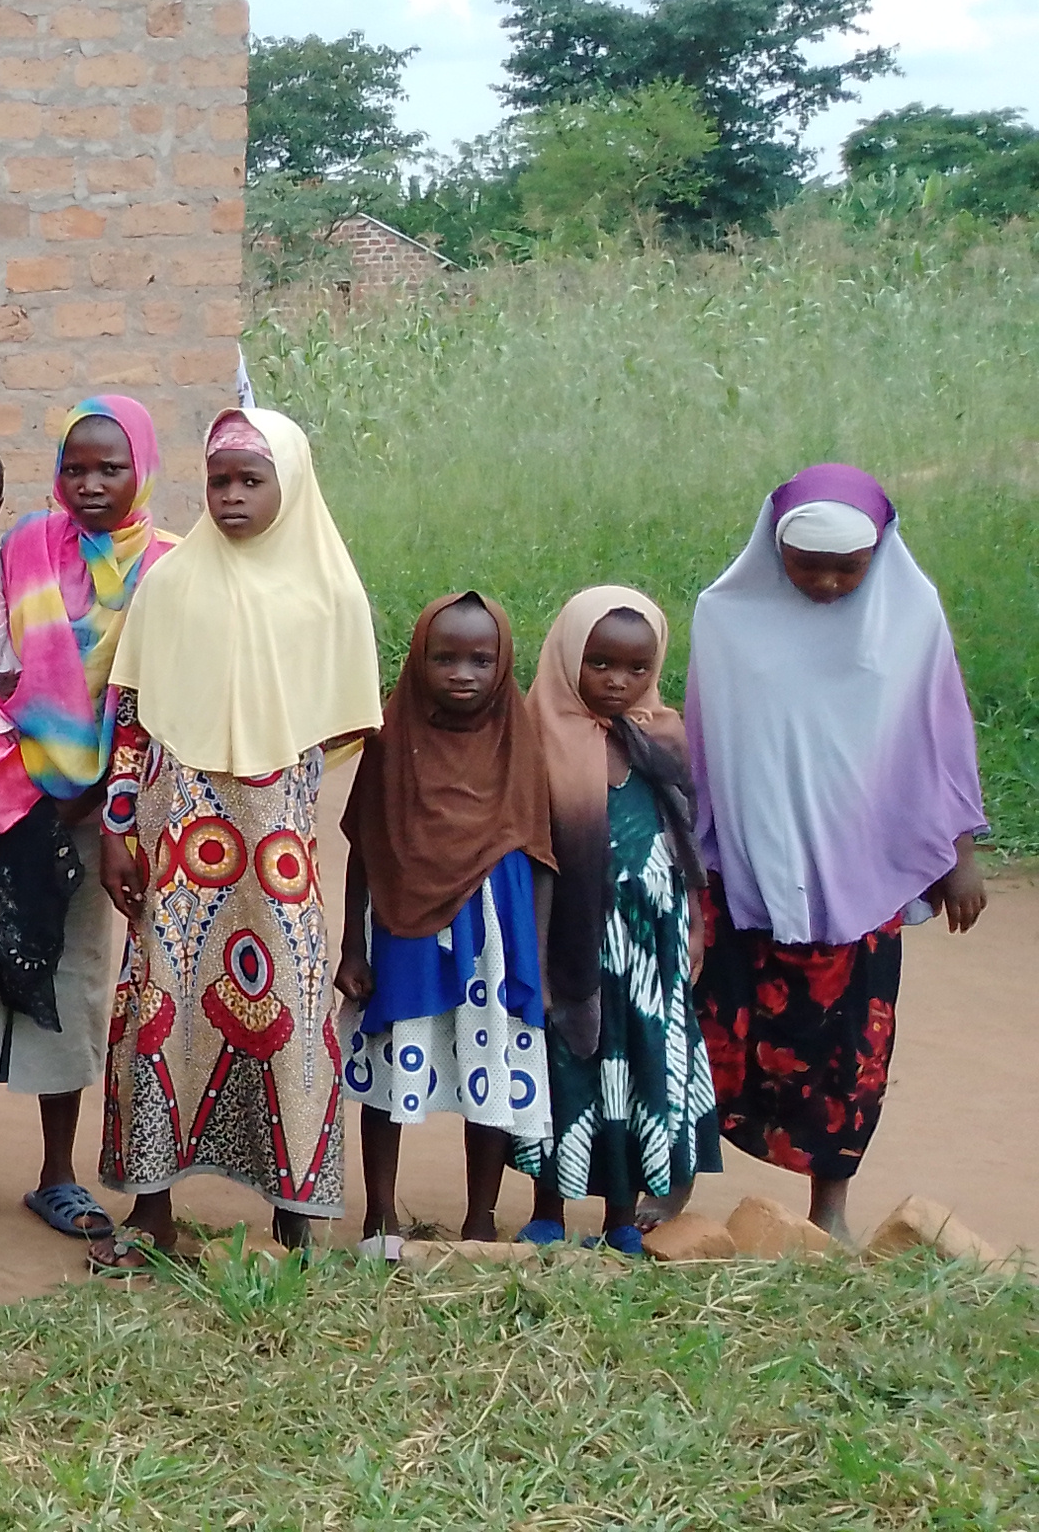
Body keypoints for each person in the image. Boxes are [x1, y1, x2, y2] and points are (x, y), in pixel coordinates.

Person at [94, 407, 377, 1269]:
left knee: (289, 1004)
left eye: (252, 481)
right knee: (163, 1004)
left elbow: (336, 730)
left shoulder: (330, 594)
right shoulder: (172, 584)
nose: (231, 496)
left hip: (277, 847)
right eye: (219, 480)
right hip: (177, 838)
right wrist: (117, 829)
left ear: (291, 484)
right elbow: (132, 717)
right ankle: (152, 1209)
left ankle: (295, 1215)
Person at [688, 466, 990, 1243]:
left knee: (852, 1051)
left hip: (861, 873)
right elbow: (704, 747)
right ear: (773, 549)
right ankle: (675, 1187)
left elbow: (939, 737)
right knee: (713, 1032)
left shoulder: (910, 619)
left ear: (879, 555)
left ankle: (830, 1204)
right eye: (807, 565)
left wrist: (958, 852)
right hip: (748, 867)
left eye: (848, 569)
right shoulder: (726, 618)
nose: (826, 582)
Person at [0, 402, 161, 1244]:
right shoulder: (23, 544)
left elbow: (152, 697)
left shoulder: (164, 569)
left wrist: (105, 798)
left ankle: (59, 1173)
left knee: (73, 970)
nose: (89, 484)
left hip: (95, 803)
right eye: (75, 468)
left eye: (110, 468)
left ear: (141, 472)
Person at [340, 592, 558, 1252]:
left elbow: (540, 856)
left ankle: (480, 1220)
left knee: (489, 1068)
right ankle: (381, 1217)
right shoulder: (391, 737)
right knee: (392, 1064)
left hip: (493, 933)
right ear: (417, 660)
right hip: (405, 930)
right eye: (445, 659)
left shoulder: (518, 741)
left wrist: (539, 962)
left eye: (480, 660)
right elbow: (363, 848)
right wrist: (352, 947)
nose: (463, 674)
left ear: (503, 663)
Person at [511, 588, 719, 1250]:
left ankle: (622, 1217)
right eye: (599, 663)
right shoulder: (536, 736)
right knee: (565, 1061)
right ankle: (548, 1207)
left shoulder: (661, 734)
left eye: (636, 668)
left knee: (636, 1069)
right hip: (571, 937)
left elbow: (684, 838)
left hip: (651, 942)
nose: (617, 682)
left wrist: (693, 921)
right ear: (567, 657)